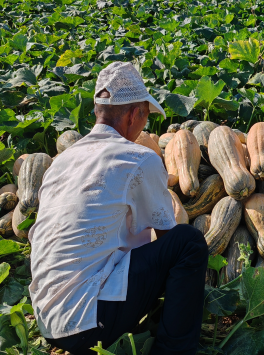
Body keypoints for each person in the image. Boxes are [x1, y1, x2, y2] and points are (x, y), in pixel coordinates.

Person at [29, 61, 208, 354]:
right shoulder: (138, 158)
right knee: (187, 243)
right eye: (146, 117)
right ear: (134, 114)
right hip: (88, 323)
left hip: (49, 320)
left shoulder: (61, 162)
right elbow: (167, 239)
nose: (144, 127)